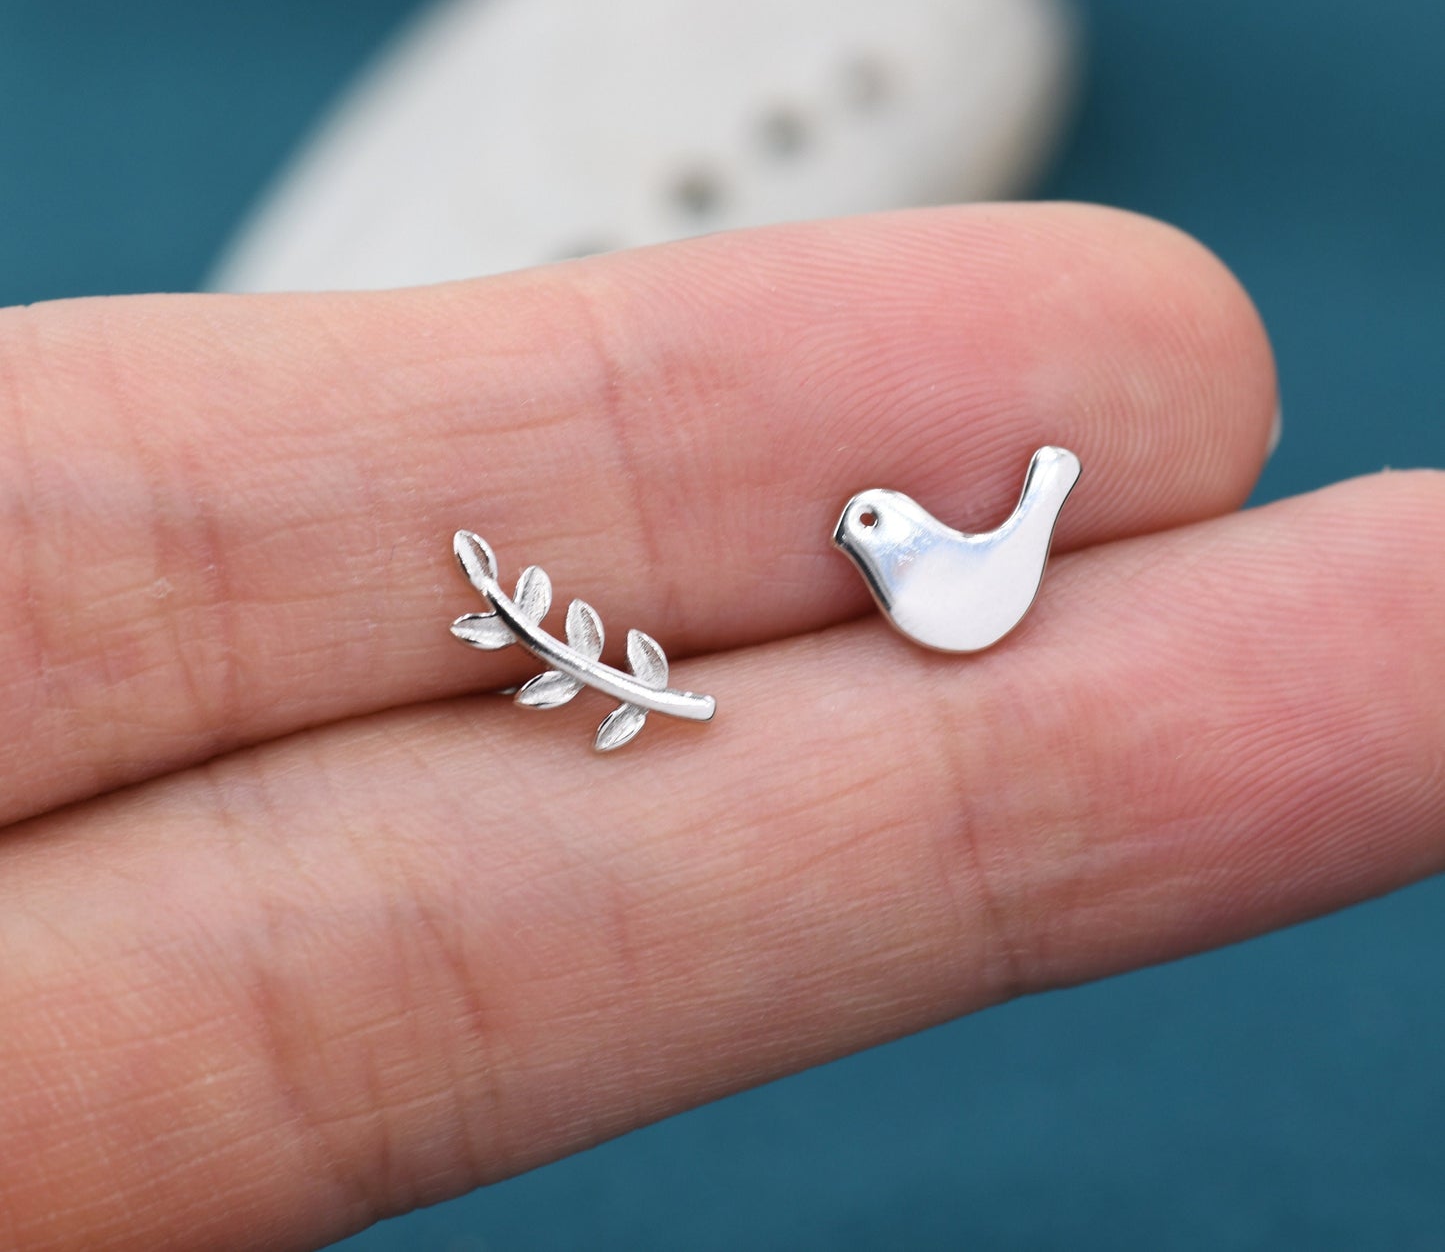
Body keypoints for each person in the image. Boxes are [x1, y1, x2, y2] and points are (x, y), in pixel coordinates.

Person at [0, 203, 1440, 1250]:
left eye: (863, 520)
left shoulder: (935, 571)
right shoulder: (905, 576)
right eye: (862, 524)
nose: (857, 532)